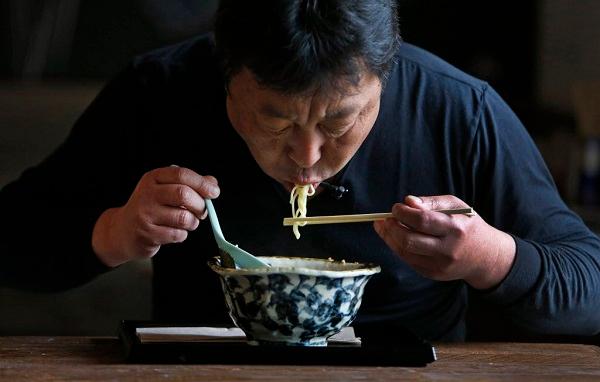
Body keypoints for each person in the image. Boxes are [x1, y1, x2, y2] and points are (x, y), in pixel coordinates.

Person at [1, 0, 599, 342]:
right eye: (276, 122)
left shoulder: (456, 108)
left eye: (340, 123)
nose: (308, 157)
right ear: (224, 75)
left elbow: (590, 283)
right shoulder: (159, 91)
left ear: (386, 78)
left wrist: (490, 258)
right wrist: (112, 232)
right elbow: (12, 241)